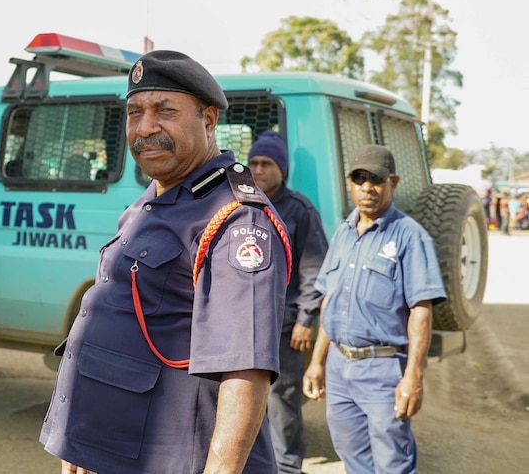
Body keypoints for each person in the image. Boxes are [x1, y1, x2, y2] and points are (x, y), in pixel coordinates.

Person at [40, 50, 291, 474]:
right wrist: (80, 443)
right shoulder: (152, 199)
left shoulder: (236, 219)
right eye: (135, 111)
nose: (146, 127)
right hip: (113, 451)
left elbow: (245, 371)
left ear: (209, 120)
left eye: (165, 111)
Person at [302, 144, 446, 474]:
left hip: (382, 370)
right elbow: (330, 301)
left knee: (392, 462)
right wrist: (317, 362)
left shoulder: (410, 236)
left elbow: (421, 311)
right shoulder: (342, 234)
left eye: (376, 179)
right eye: (359, 178)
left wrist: (414, 375)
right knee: (352, 457)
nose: (367, 187)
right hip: (339, 368)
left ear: (392, 183)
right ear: (349, 183)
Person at [247, 130, 328, 474]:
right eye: (253, 163)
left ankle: (288, 466)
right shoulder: (243, 203)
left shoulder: (300, 210)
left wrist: (306, 320)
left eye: (266, 163)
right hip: (246, 324)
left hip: (285, 326)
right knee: (245, 399)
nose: (259, 169)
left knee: (282, 401)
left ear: (282, 169)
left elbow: (315, 271)